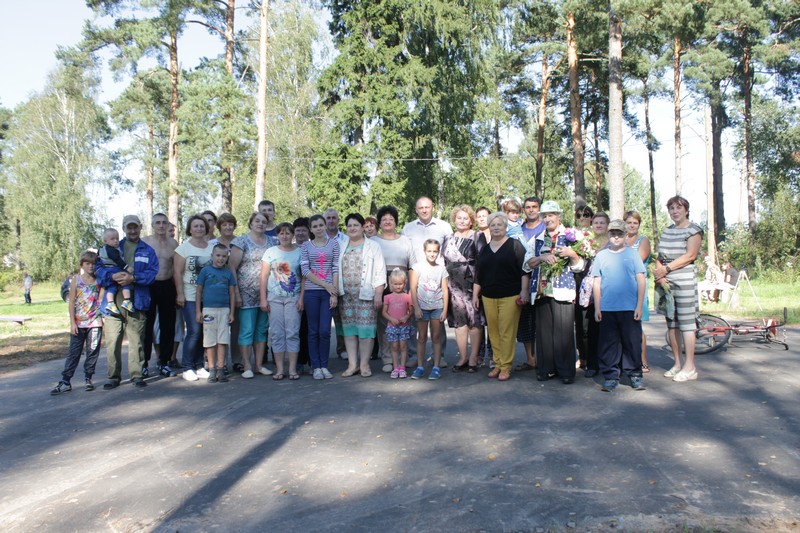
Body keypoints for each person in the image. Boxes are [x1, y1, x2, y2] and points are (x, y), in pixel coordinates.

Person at [523, 201, 585, 384]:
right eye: (545, 216)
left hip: (563, 290)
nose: (548, 219)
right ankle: (546, 369)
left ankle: (565, 371)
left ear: (559, 216)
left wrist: (572, 254)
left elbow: (580, 266)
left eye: (551, 215)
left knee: (563, 332)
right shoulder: (537, 239)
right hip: (541, 291)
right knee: (543, 333)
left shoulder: (571, 237)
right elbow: (527, 264)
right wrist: (541, 257)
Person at [96, 214, 159, 390]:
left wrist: (134, 278)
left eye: (135, 227)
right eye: (128, 227)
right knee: (113, 340)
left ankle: (137, 375)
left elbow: (152, 274)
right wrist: (111, 276)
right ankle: (113, 376)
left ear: (140, 227)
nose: (132, 230)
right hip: (113, 300)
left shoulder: (148, 251)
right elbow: (98, 269)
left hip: (137, 299)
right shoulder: (112, 245)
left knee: (136, 339)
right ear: (124, 228)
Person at [472, 212, 530, 381]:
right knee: (494, 332)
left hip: (510, 296)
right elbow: (478, 275)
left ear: (505, 227)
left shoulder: (515, 245)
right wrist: (475, 295)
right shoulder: (485, 249)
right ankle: (497, 364)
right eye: (493, 225)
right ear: (489, 228)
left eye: (499, 224)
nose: (496, 227)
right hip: (488, 296)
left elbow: (524, 270)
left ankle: (506, 366)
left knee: (506, 332)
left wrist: (524, 290)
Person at [592, 220, 647, 391]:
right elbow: (597, 282)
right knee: (608, 344)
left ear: (626, 235)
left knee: (632, 342)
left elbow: (641, 279)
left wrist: (639, 306)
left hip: (629, 307)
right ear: (608, 234)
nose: (616, 237)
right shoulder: (601, 256)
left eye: (620, 234)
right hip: (607, 308)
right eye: (613, 234)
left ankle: (635, 374)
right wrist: (597, 307)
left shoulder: (632, 254)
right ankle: (610, 375)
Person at [654, 195, 703, 382]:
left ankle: (690, 367)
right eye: (672, 208)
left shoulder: (693, 230)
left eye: (678, 208)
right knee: (672, 323)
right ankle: (677, 363)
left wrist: (666, 269)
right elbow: (660, 256)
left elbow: (690, 255)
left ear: (686, 210)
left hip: (684, 281)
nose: (675, 211)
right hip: (666, 282)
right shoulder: (668, 231)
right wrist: (660, 274)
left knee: (687, 324)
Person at [337, 213, 386, 378]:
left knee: (366, 331)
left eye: (356, 225)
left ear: (362, 227)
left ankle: (364, 365)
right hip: (346, 297)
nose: (352, 228)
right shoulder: (341, 245)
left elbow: (380, 271)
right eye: (349, 225)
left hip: (366, 295)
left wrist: (378, 293)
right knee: (349, 331)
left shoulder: (373, 246)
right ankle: (352, 365)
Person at [230, 212, 277, 378]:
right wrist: (236, 293)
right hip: (246, 293)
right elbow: (232, 267)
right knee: (247, 330)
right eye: (257, 221)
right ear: (250, 223)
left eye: (264, 222)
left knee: (262, 330)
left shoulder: (273, 242)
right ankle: (246, 365)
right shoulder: (240, 241)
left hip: (267, 293)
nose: (260, 224)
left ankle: (258, 365)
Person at [50, 251, 104, 395]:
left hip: (95, 322)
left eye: (93, 264)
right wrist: (72, 323)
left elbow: (101, 299)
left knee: (92, 351)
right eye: (87, 263)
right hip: (79, 323)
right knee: (74, 352)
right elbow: (71, 302)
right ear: (82, 265)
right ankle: (66, 381)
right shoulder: (76, 280)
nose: (90, 266)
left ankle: (88, 378)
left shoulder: (99, 280)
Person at [372, 205, 416, 373]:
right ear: (379, 222)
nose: (388, 221)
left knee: (405, 320)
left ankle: (407, 356)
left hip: (402, 283)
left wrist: (411, 289)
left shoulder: (405, 240)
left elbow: (412, 267)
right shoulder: (373, 241)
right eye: (384, 219)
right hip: (381, 283)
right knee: (385, 322)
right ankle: (387, 358)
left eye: (391, 218)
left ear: (396, 222)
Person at [442, 205, 485, 372]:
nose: (461, 221)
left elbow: (481, 264)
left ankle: (473, 358)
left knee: (474, 322)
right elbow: (443, 262)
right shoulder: (447, 238)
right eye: (459, 218)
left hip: (472, 284)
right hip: (453, 286)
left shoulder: (477, 236)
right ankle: (463, 357)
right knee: (459, 323)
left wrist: (476, 292)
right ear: (454, 220)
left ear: (471, 221)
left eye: (465, 218)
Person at [260, 222, 303, 380]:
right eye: (281, 233)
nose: (285, 236)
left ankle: (292, 369)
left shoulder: (300, 252)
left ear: (292, 235)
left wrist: (302, 298)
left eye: (288, 233)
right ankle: (279, 369)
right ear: (277, 235)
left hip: (293, 298)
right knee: (277, 333)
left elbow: (304, 277)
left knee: (292, 332)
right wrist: (263, 299)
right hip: (274, 298)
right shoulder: (270, 252)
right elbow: (264, 276)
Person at [174, 215, 213, 381]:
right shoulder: (183, 249)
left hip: (209, 296)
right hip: (190, 295)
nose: (199, 229)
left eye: (202, 226)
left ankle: (199, 365)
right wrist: (180, 293)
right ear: (190, 229)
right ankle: (187, 367)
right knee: (194, 331)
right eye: (195, 226)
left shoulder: (212, 248)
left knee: (204, 332)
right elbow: (177, 272)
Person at [300, 214, 340, 380]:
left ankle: (324, 365)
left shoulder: (334, 244)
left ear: (325, 226)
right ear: (311, 229)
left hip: (328, 294)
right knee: (313, 331)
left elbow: (335, 268)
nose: (318, 228)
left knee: (325, 331)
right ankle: (316, 367)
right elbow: (305, 270)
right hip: (311, 292)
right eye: (315, 226)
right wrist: (326, 285)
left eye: (320, 225)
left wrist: (334, 292)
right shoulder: (305, 246)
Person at [142, 213, 179, 377]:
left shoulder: (173, 243)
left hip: (167, 284)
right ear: (152, 225)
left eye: (164, 222)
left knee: (168, 325)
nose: (161, 225)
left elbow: (176, 269)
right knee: (147, 325)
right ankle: (143, 363)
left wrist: (178, 292)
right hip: (149, 285)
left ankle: (164, 361)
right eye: (157, 222)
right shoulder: (145, 242)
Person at [195, 243, 236, 383]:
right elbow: (199, 291)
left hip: (224, 310)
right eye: (218, 255)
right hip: (208, 310)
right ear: (212, 256)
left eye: (224, 256)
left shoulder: (228, 273)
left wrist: (232, 313)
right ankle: (212, 370)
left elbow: (232, 293)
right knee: (210, 341)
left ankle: (221, 369)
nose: (220, 259)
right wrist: (198, 311)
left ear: (227, 258)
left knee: (222, 341)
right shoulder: (205, 271)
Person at [410, 239, 449, 380]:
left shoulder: (441, 269)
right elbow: (413, 288)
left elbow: (445, 290)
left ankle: (436, 367)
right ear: (424, 251)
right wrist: (416, 307)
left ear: (438, 252)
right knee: (421, 337)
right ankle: (420, 367)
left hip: (437, 307)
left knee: (436, 337)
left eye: (435, 251)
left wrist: (445, 310)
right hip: (422, 308)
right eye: (429, 251)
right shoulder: (417, 267)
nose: (432, 254)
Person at [515, 196, 545, 373]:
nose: (531, 210)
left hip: (542, 279)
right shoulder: (518, 229)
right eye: (528, 207)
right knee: (525, 323)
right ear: (524, 210)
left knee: (542, 322)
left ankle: (544, 359)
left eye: (534, 206)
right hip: (521, 279)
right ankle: (530, 359)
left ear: (539, 208)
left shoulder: (546, 227)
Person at [208, 212, 240, 373]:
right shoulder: (212, 243)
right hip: (216, 289)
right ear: (219, 227)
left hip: (235, 287)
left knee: (236, 326)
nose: (228, 227)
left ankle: (237, 360)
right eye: (224, 224)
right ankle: (219, 363)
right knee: (216, 329)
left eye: (230, 224)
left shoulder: (239, 242)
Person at [584, 212, 610, 377]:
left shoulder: (613, 243)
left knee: (609, 332)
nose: (598, 225)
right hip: (590, 293)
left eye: (602, 222)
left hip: (608, 291)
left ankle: (609, 364)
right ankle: (592, 364)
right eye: (596, 223)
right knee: (591, 331)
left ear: (607, 225)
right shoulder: (586, 242)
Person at [625, 210, 651, 373]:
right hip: (620, 287)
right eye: (629, 222)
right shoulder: (619, 239)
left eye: (635, 223)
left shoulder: (643, 240)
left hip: (637, 287)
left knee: (636, 325)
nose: (632, 225)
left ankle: (642, 360)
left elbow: (637, 261)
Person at [324, 208, 348, 361]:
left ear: (338, 220)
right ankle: (322, 352)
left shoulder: (346, 239)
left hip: (341, 283)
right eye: (328, 218)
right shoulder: (318, 238)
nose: (331, 221)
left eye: (334, 218)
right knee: (324, 322)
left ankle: (342, 348)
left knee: (341, 320)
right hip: (323, 284)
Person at [573, 205, 595, 369]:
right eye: (579, 215)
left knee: (590, 323)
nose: (582, 218)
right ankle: (582, 356)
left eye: (586, 215)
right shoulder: (572, 235)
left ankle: (593, 357)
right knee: (579, 323)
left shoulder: (596, 236)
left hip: (593, 283)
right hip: (576, 282)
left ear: (591, 217)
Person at [383, 268, 414, 378]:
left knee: (403, 346)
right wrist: (391, 319)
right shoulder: (387, 297)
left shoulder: (407, 297)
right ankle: (395, 368)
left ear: (404, 284)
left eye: (400, 284)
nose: (398, 286)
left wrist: (407, 316)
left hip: (404, 327)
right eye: (395, 284)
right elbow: (384, 312)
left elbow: (411, 311)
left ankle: (402, 368)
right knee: (394, 347)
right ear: (391, 284)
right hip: (392, 326)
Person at [98, 228, 135, 314]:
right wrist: (127, 267)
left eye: (117, 239)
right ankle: (127, 300)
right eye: (112, 239)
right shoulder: (111, 250)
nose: (116, 241)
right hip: (114, 268)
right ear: (105, 241)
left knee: (111, 287)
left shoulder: (101, 250)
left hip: (107, 269)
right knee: (125, 282)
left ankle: (110, 303)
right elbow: (118, 260)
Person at [474, 206, 493, 367]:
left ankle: (493, 355)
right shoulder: (473, 236)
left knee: (492, 322)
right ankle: (479, 355)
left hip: (492, 282)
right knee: (478, 321)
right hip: (475, 282)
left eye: (484, 216)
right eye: (479, 216)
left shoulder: (497, 234)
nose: (481, 218)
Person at [293, 217, 311, 374]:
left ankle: (312, 361)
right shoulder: (290, 248)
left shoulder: (313, 247)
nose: (300, 233)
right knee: (296, 329)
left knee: (309, 328)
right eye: (297, 230)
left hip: (310, 293)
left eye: (303, 230)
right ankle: (298, 361)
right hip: (292, 294)